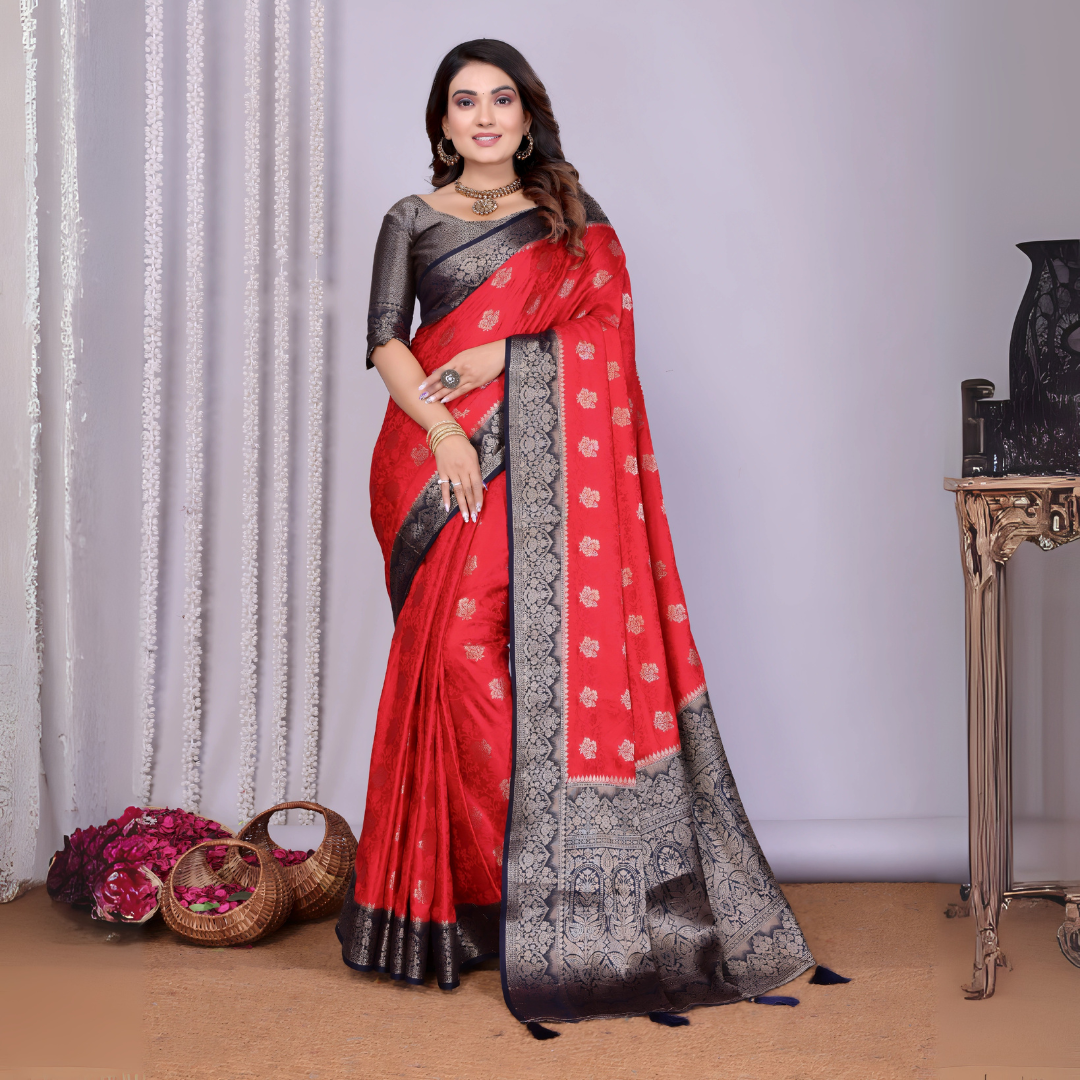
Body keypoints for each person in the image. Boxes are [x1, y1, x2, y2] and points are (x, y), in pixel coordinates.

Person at [337, 38, 818, 1028]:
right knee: (457, 662)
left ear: (526, 113)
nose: (482, 117)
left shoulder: (569, 220)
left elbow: (605, 334)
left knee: (534, 660)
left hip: (544, 454)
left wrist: (499, 363)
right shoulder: (411, 218)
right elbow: (386, 337)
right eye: (462, 102)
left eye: (499, 99)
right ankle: (490, 900)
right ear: (440, 122)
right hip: (430, 463)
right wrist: (441, 426)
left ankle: (551, 894)